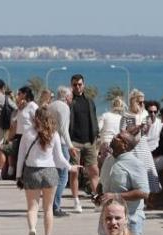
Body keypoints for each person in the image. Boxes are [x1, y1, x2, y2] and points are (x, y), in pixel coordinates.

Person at [16, 106, 75, 235]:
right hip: (50, 172)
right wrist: (70, 167)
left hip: (31, 172)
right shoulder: (54, 134)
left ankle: (32, 229)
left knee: (32, 208)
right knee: (48, 209)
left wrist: (18, 175)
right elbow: (59, 158)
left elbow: (20, 157)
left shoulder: (27, 133)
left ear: (35, 118)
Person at [98, 130, 150, 235]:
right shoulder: (108, 160)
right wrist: (98, 195)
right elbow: (101, 183)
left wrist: (116, 196)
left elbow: (144, 192)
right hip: (108, 219)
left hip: (130, 218)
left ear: (124, 145)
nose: (114, 137)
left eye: (118, 137)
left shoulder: (135, 164)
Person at [120, 89, 161, 194]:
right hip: (131, 148)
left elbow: (145, 133)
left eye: (143, 102)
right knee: (133, 172)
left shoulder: (144, 114)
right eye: (140, 102)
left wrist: (146, 126)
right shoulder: (127, 115)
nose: (143, 104)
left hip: (143, 146)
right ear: (134, 102)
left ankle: (147, 197)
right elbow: (122, 132)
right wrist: (137, 127)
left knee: (147, 172)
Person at [69, 74, 100, 204]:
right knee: (74, 172)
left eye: (80, 84)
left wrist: (96, 134)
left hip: (89, 141)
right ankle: (76, 200)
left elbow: (94, 118)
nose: (77, 87)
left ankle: (97, 199)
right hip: (74, 142)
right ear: (71, 86)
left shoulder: (89, 101)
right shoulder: (69, 101)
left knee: (94, 171)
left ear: (84, 85)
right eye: (75, 85)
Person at [47, 86, 76, 217]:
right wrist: (70, 146)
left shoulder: (51, 106)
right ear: (66, 96)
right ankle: (56, 206)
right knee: (63, 175)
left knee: (55, 175)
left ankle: (50, 204)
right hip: (61, 143)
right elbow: (64, 129)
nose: (72, 98)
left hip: (50, 142)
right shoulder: (64, 107)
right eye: (70, 96)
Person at [98, 97, 126, 164]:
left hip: (105, 143)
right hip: (117, 145)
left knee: (104, 165)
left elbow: (98, 128)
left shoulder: (105, 115)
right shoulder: (122, 118)